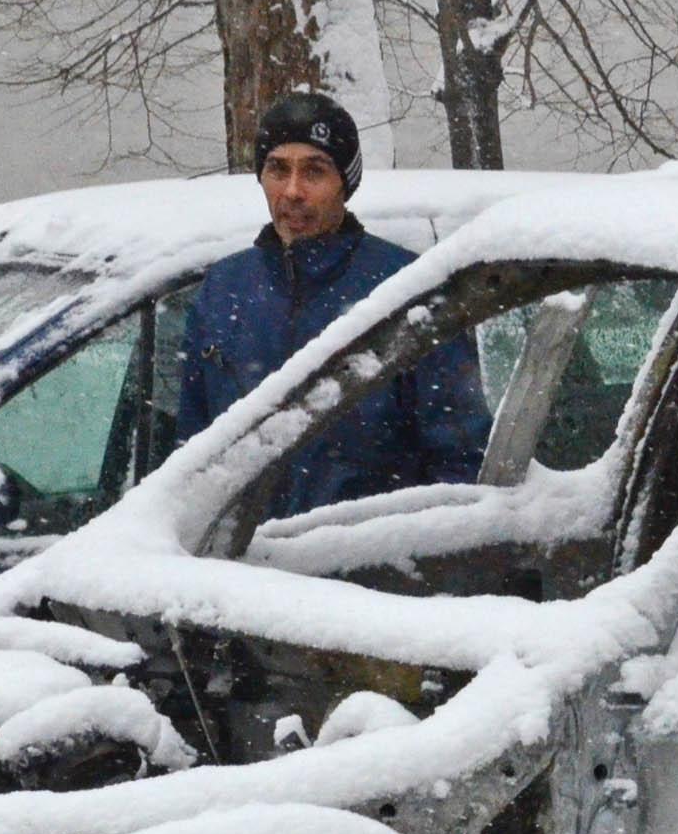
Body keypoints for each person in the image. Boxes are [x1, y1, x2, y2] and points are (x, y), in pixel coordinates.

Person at [177, 92, 488, 520]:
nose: (293, 191)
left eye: (314, 171)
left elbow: (459, 464)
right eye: (278, 169)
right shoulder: (225, 289)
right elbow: (188, 461)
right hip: (238, 572)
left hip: (359, 569)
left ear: (345, 182)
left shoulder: (405, 288)